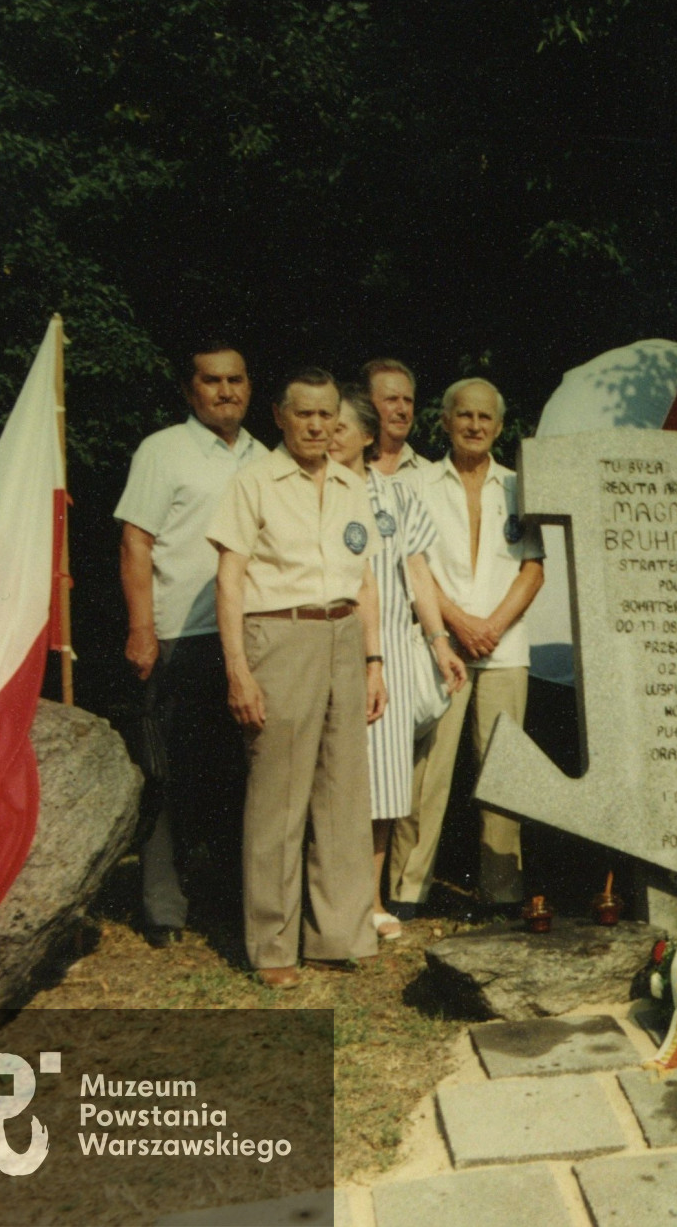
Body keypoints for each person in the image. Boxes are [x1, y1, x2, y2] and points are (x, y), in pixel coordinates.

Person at [207, 368, 387, 987]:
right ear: (280, 417)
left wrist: (373, 661)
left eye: (328, 415)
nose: (318, 426)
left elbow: (365, 581)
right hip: (279, 636)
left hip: (342, 635)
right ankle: (273, 943)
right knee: (279, 797)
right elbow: (228, 579)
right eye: (305, 414)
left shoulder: (350, 484)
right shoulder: (253, 482)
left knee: (343, 792)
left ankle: (341, 932)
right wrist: (238, 670)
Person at [114, 343, 268, 948]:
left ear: (250, 387)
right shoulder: (162, 451)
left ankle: (230, 897)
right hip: (180, 633)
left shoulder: (265, 456)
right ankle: (163, 909)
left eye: (235, 379)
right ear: (189, 390)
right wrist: (141, 627)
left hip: (252, 637)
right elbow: (135, 544)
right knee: (168, 773)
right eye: (212, 381)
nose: (225, 391)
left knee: (239, 774)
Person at [390, 377, 546, 917]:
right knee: (426, 772)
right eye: (465, 416)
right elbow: (414, 566)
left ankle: (502, 890)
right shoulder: (419, 484)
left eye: (485, 418)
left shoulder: (518, 486)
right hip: (442, 646)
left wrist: (494, 626)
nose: (475, 426)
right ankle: (407, 888)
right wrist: (460, 625)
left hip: (505, 648)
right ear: (446, 421)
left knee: (504, 772)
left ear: (500, 428)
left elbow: (532, 569)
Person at [328, 388, 466, 941]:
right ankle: (327, 903)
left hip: (387, 656)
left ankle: (372, 900)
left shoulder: (397, 497)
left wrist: (439, 642)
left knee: (384, 783)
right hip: (329, 647)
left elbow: (417, 574)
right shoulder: (309, 491)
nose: (328, 436)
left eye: (340, 428)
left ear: (366, 436)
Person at [364, 358, 428, 477]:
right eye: (392, 399)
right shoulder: (347, 467)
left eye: (408, 401)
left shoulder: (428, 473)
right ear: (368, 403)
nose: (403, 410)